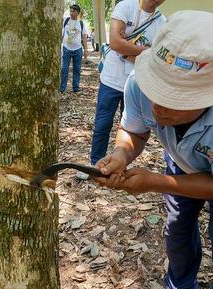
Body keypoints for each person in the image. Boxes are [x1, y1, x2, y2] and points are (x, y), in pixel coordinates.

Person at [94, 11, 213, 289]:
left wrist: (154, 182)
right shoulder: (138, 83)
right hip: (179, 160)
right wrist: (121, 154)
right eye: (156, 91)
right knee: (177, 231)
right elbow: (134, 131)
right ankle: (179, 288)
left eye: (174, 101)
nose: (157, 108)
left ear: (212, 96)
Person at [76, 0, 166, 180]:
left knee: (131, 129)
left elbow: (157, 55)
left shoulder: (161, 22)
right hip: (111, 79)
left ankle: (121, 165)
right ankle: (96, 162)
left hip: (137, 83)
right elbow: (116, 43)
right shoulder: (126, 6)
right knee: (102, 124)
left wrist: (128, 49)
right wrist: (143, 51)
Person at [60, 4, 88, 93]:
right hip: (66, 49)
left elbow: (84, 37)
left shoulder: (81, 23)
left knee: (77, 69)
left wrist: (86, 50)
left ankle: (75, 88)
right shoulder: (66, 20)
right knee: (64, 69)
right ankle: (62, 88)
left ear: (78, 13)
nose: (71, 13)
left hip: (78, 49)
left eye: (74, 11)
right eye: (71, 11)